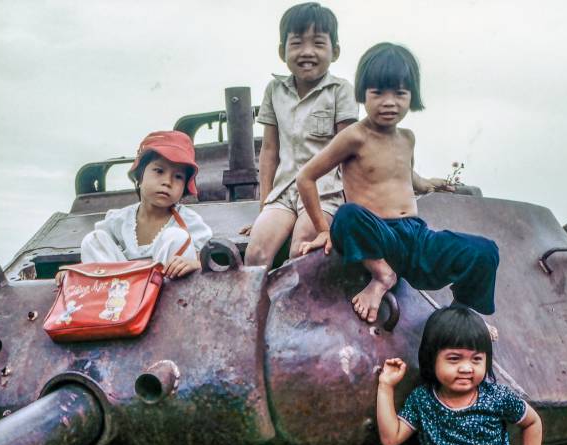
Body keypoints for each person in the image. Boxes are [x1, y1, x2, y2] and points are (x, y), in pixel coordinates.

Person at [297, 43, 499, 323]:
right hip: (376, 235)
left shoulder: (407, 138)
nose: (389, 102)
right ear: (363, 94)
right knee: (347, 215)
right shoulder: (355, 136)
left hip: (415, 237)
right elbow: (305, 177)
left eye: (400, 93)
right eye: (378, 93)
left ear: (411, 96)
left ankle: (463, 313)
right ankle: (382, 275)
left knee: (484, 250)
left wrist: (427, 183)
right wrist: (322, 229)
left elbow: (405, 176)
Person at [352, 307, 545, 445]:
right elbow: (391, 438)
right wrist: (386, 386)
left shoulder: (497, 396)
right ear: (431, 358)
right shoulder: (422, 399)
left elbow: (532, 422)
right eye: (454, 359)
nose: (466, 368)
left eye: (476, 359)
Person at [241, 2, 358, 268]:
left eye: (318, 43)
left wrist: (354, 210)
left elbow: (351, 154)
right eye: (297, 43)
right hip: (283, 194)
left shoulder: (341, 91)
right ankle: (257, 310)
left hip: (324, 194)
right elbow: (269, 151)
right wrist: (264, 208)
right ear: (282, 51)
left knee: (301, 252)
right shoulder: (274, 90)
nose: (307, 52)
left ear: (335, 51)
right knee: (255, 254)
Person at [78, 130, 212, 279]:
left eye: (178, 176)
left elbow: (208, 259)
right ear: (140, 176)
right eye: (159, 171)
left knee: (178, 236)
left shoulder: (189, 221)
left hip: (166, 294)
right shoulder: (119, 220)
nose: (167, 182)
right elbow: (98, 251)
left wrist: (197, 264)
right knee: (93, 239)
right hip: (120, 291)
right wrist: (74, 273)